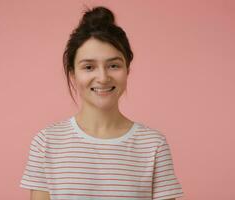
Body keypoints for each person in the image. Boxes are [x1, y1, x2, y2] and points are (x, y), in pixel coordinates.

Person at [20, 6, 184, 200]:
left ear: (127, 70)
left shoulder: (153, 145)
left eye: (113, 65)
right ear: (73, 74)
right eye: (89, 67)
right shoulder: (46, 143)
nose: (103, 77)